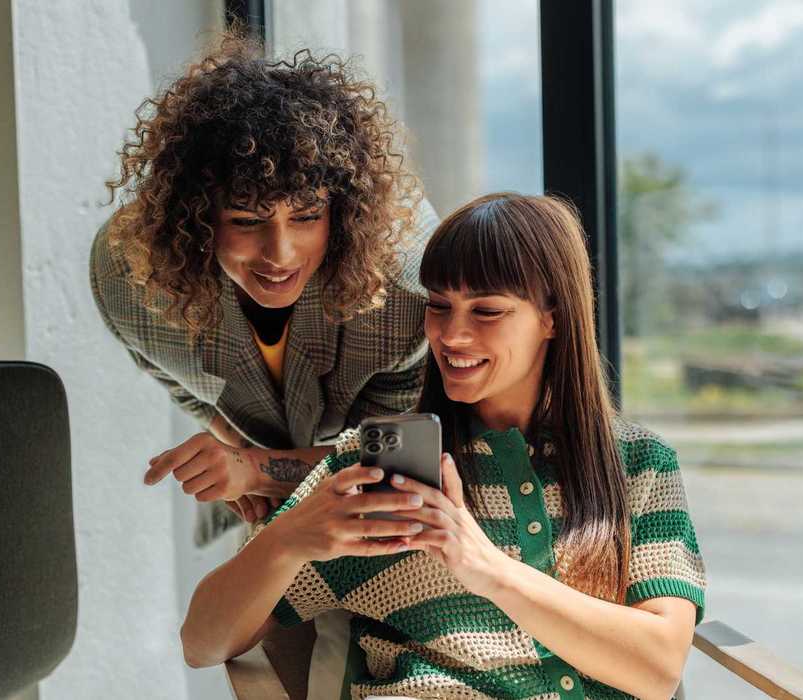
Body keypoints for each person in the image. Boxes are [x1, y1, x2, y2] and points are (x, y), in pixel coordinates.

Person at [181, 193, 707, 700]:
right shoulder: (372, 472)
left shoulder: (637, 466)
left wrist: (487, 569)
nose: (451, 335)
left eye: (487, 311)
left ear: (552, 316)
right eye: (439, 305)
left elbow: (657, 670)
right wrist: (287, 539)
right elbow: (203, 642)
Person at [91, 37, 436, 524]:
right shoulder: (129, 277)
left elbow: (397, 464)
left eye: (306, 217)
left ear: (340, 214)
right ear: (197, 217)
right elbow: (181, 382)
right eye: (247, 222)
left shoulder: (407, 292)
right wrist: (244, 463)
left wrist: (255, 470)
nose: (280, 255)